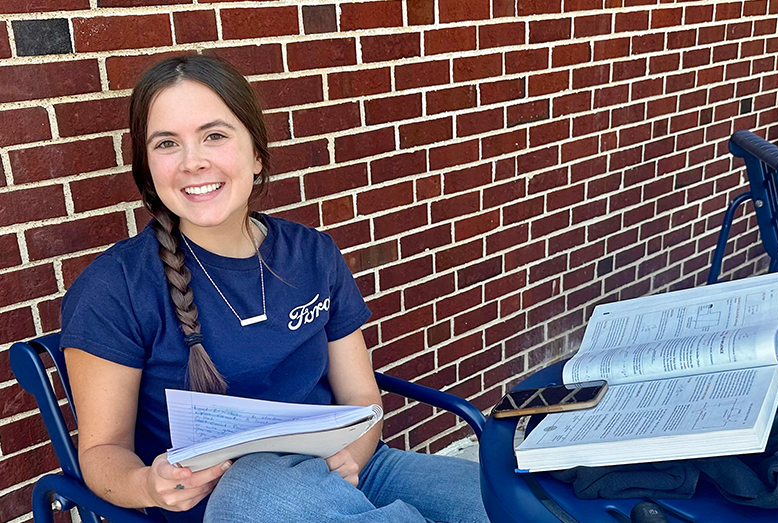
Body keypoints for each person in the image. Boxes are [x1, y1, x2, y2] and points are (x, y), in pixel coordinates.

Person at [60, 55, 489, 523]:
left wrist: (357, 454)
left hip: (347, 468)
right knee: (257, 486)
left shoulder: (312, 254)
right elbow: (102, 451)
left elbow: (362, 396)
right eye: (166, 144)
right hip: (226, 500)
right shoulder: (114, 287)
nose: (193, 161)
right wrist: (149, 484)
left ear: (257, 154)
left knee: (507, 501)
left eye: (215, 135)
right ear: (147, 167)